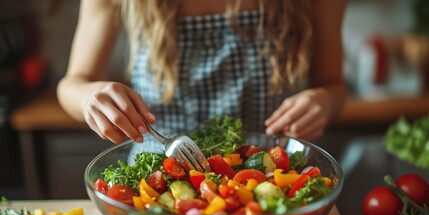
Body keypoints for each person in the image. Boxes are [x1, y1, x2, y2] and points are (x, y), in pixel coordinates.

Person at [57, 0, 347, 145]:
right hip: (157, 190)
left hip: (273, 186)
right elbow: (72, 84)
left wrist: (323, 101)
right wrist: (89, 97)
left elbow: (333, 85)